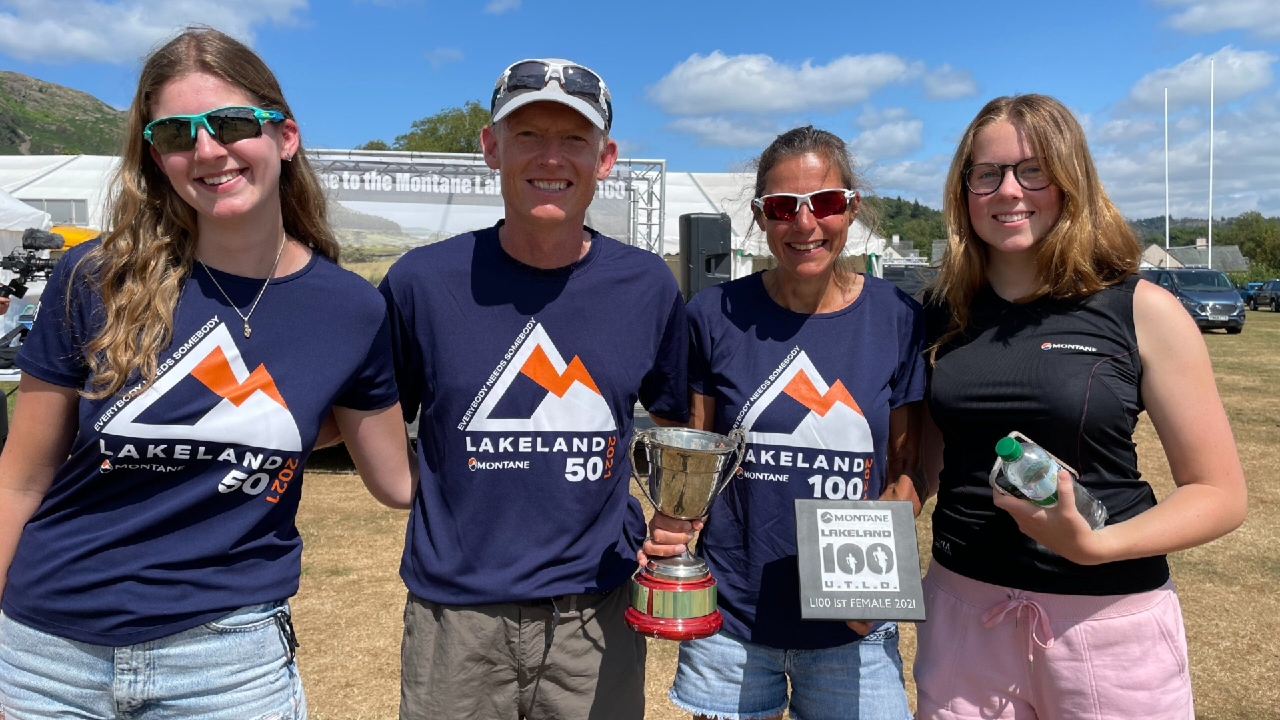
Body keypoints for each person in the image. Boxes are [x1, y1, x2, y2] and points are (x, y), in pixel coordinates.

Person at [0, 27, 413, 719]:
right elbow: (20, 476)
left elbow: (398, 481)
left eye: (230, 123)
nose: (208, 149)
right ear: (156, 156)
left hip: (228, 665)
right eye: (175, 134)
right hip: (47, 656)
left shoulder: (350, 310)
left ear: (284, 136)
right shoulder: (94, 277)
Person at [915, 94, 1248, 720]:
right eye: (987, 174)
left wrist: (1096, 545)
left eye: (1033, 169)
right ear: (963, 191)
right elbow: (926, 468)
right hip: (963, 616)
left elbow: (1219, 493)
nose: (1009, 191)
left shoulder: (1142, 308)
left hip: (1106, 625)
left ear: (1071, 181)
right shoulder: (939, 314)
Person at [381, 58, 688, 720]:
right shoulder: (421, 283)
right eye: (528, 136)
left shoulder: (648, 286)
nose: (551, 158)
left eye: (574, 139)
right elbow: (373, 419)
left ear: (604, 159)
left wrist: (674, 514)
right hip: (455, 622)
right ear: (491, 148)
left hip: (594, 617)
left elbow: (680, 421)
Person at [649, 126, 925, 720]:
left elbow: (907, 465)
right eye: (782, 208)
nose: (806, 225)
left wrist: (875, 575)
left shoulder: (896, 317)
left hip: (854, 632)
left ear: (852, 208)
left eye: (825, 203)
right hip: (733, 624)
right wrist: (673, 528)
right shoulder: (712, 315)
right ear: (759, 216)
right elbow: (698, 456)